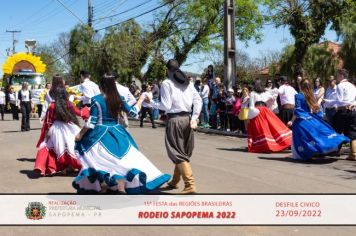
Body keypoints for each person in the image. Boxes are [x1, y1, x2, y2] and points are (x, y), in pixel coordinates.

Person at [73, 75, 170, 194]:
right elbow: (134, 113)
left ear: (101, 86)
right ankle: (119, 186)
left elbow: (91, 122)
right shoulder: (119, 98)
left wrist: (80, 134)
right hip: (118, 132)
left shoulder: (96, 99)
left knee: (99, 160)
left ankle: (105, 185)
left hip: (99, 134)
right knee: (122, 161)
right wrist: (140, 99)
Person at [150, 59, 202, 194]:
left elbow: (166, 106)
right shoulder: (188, 82)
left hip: (175, 120)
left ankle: (190, 185)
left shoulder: (167, 83)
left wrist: (151, 103)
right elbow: (198, 100)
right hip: (188, 119)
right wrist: (195, 117)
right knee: (181, 152)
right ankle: (174, 181)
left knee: (177, 153)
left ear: (167, 70)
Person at [34, 86, 89, 176]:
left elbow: (49, 121)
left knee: (49, 145)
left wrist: (47, 134)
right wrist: (87, 109)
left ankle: (44, 166)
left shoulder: (52, 105)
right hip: (70, 127)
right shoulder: (69, 104)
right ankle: (73, 166)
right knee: (71, 147)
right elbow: (80, 113)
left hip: (56, 128)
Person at [289, 79, 349, 161]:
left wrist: (292, 121)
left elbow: (297, 110)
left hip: (301, 120)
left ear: (301, 86)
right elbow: (317, 109)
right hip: (311, 119)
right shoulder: (311, 96)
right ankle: (322, 150)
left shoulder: (298, 96)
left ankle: (305, 154)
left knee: (303, 138)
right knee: (316, 137)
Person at [248, 79, 292, 153]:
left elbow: (251, 105)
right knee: (271, 127)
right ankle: (276, 143)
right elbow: (272, 99)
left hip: (257, 111)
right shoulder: (266, 92)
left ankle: (265, 146)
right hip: (265, 110)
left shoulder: (252, 93)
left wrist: (251, 114)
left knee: (261, 129)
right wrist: (267, 106)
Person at [324, 69, 356, 161]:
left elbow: (339, 101)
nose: (336, 77)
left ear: (342, 75)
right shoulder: (352, 86)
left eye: (337, 75)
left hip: (343, 111)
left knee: (336, 130)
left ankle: (334, 150)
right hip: (353, 111)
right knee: (352, 131)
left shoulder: (340, 86)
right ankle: (354, 153)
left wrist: (327, 101)